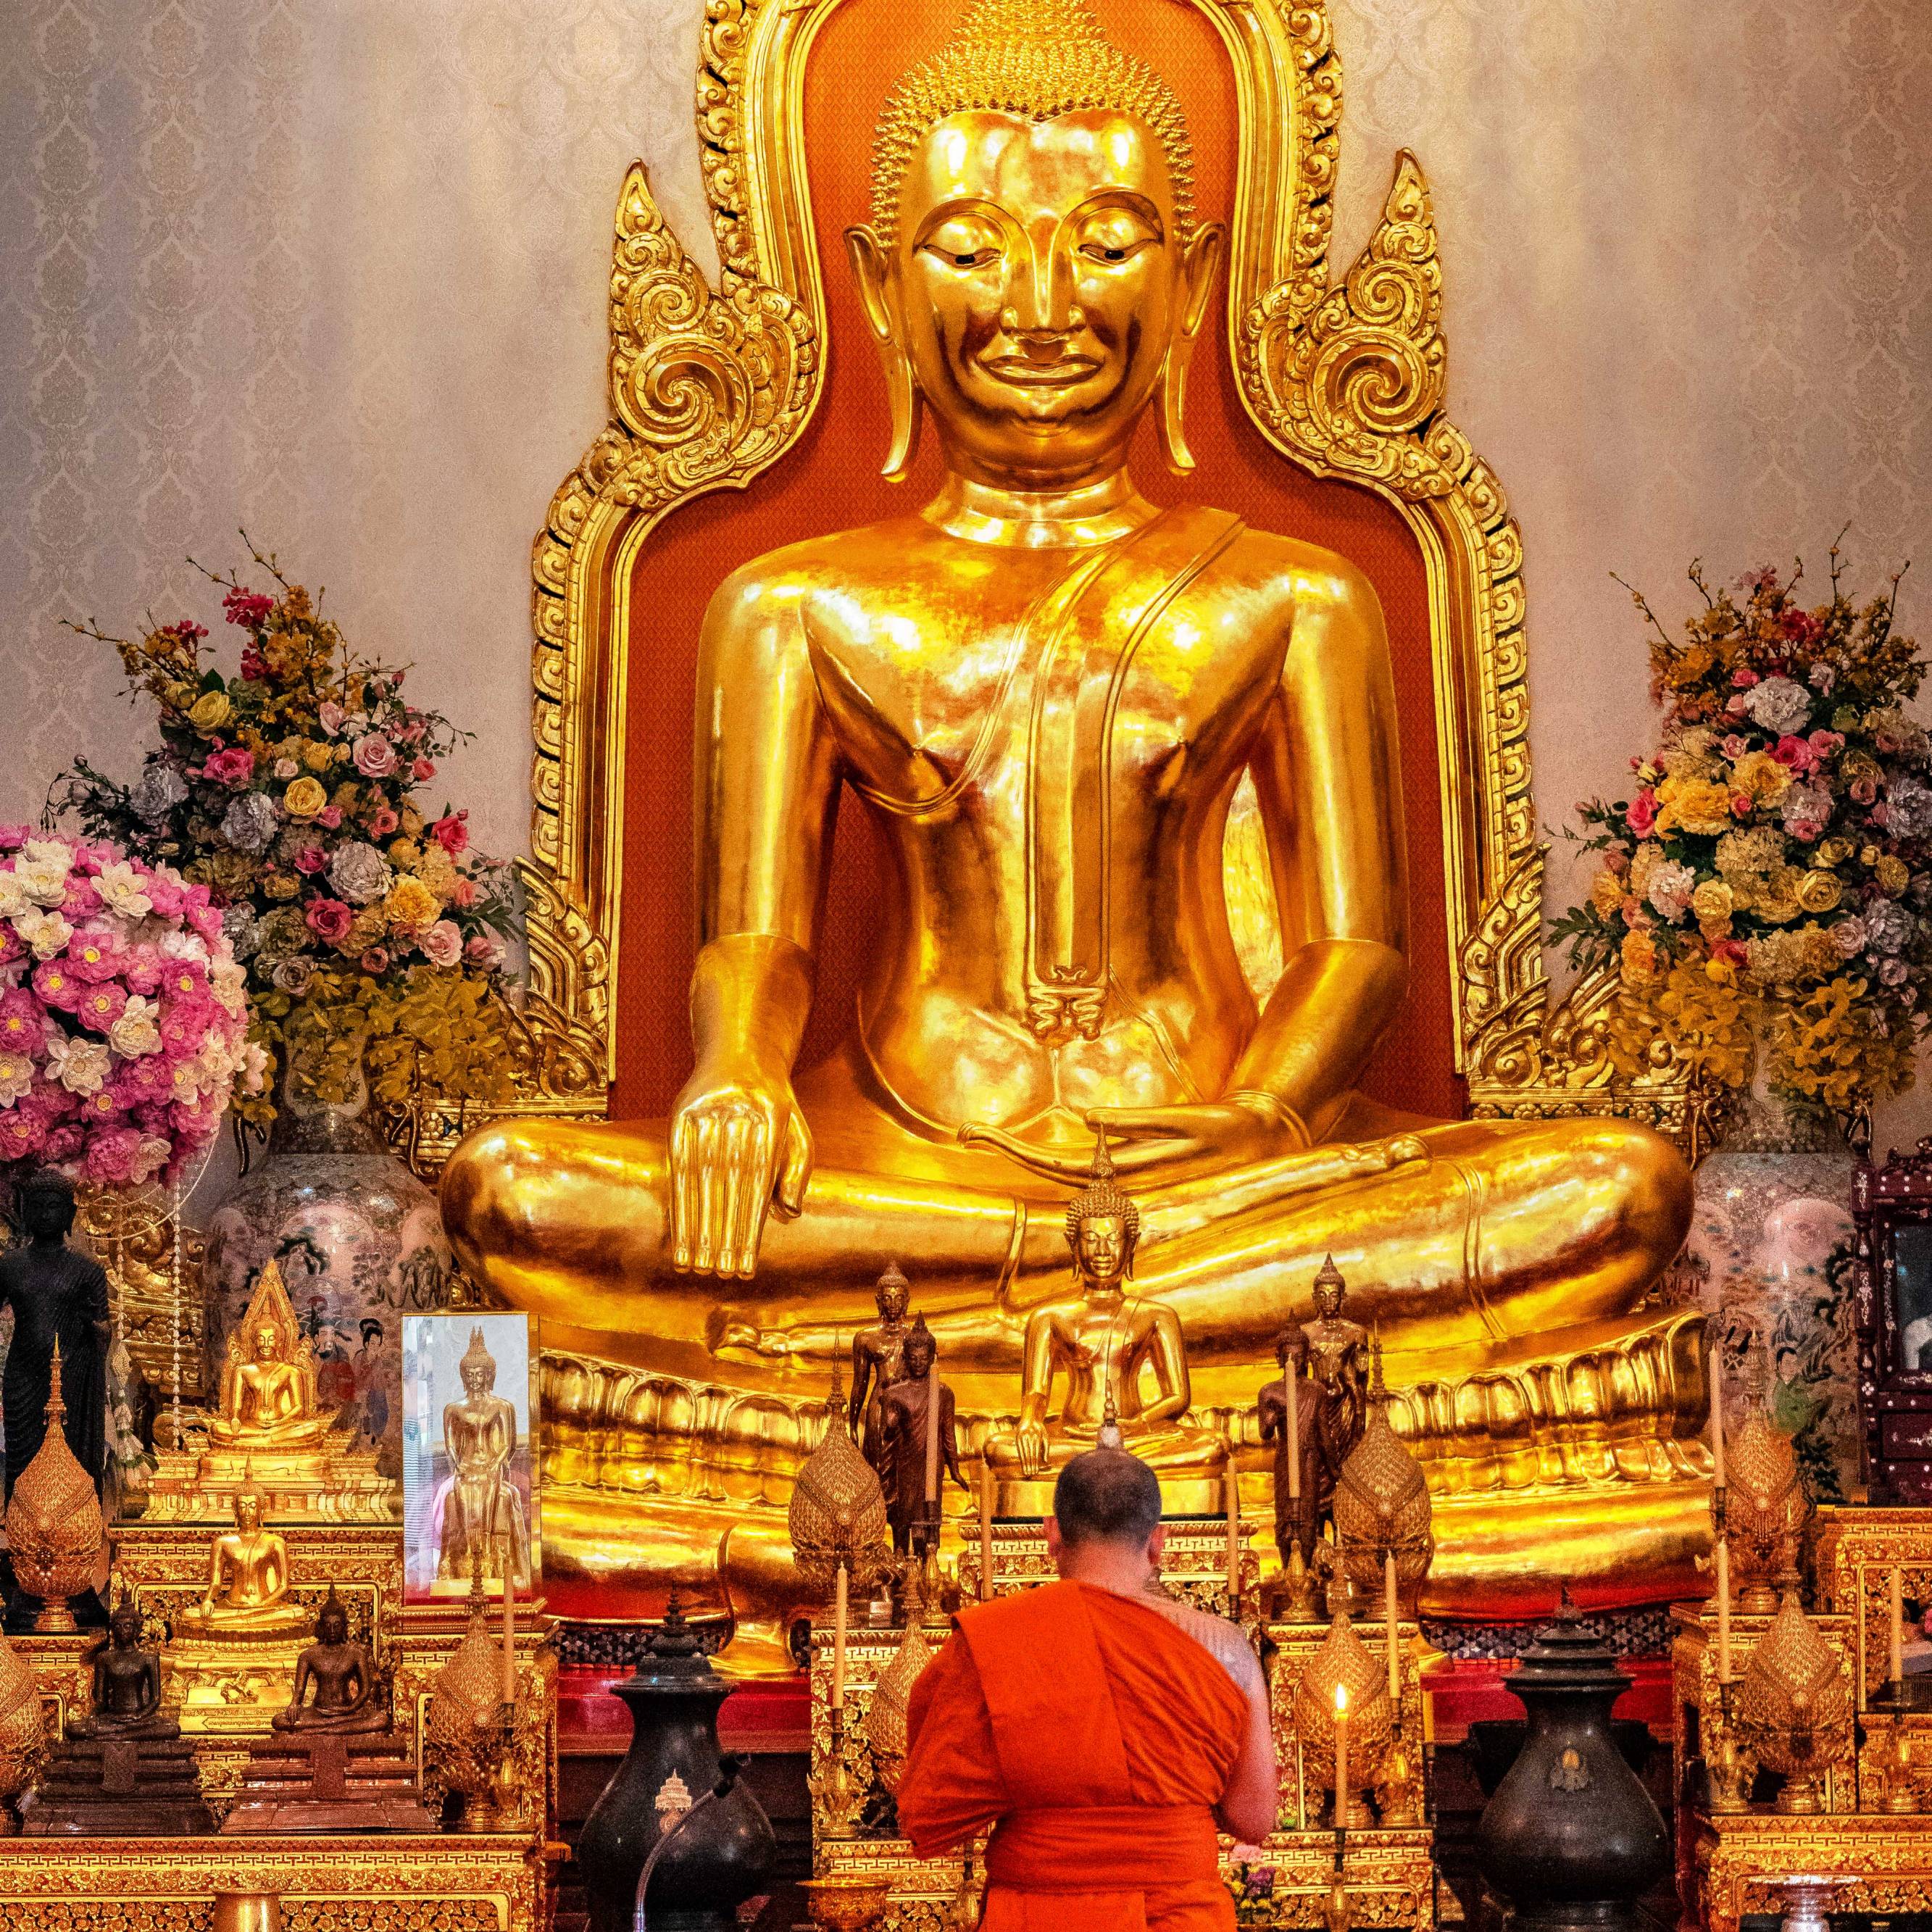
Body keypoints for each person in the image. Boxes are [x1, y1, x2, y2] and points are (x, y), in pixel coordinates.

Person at [896, 1446, 1277, 1930]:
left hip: (1036, 1913)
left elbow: (933, 1800)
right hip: (1178, 1912)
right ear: (1159, 1542)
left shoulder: (1000, 1641)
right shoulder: (1225, 1649)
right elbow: (1253, 1818)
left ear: (1051, 1534)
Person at [0, 1168, 109, 1502]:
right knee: (24, 1452)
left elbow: (103, 1331)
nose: (47, 1215)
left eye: (54, 1207)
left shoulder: (88, 1270)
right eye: (39, 1207)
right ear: (26, 1212)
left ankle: (75, 1518)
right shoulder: (9, 1266)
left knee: (71, 1450)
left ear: (70, 1214)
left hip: (73, 1374)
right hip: (23, 1372)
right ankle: (20, 1519)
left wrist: (99, 1331)